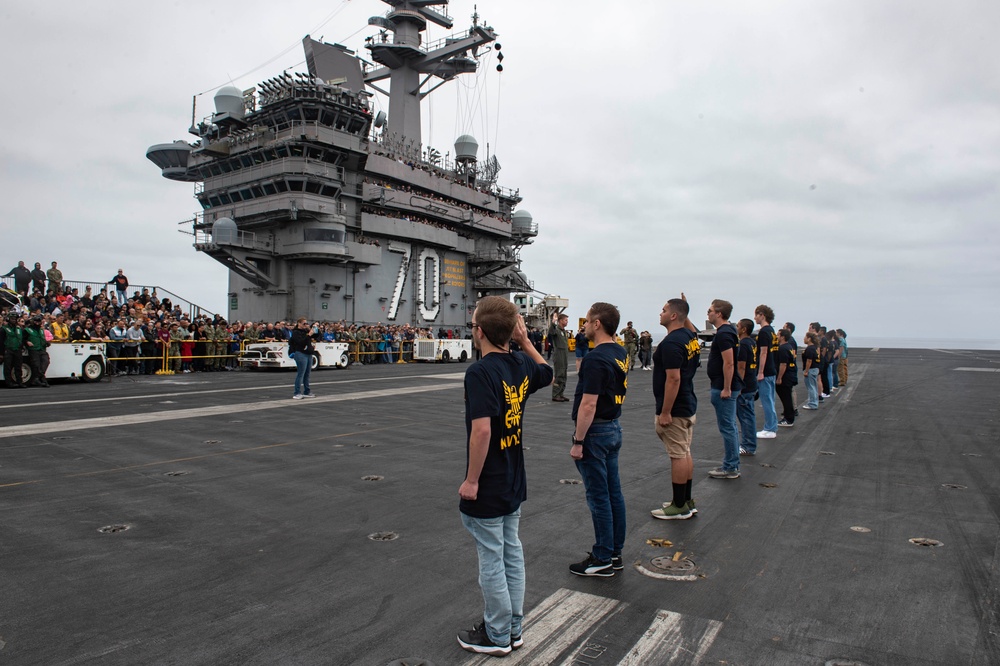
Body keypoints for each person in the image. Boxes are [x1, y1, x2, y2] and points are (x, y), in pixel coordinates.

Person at [457, 296, 552, 657]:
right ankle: (512, 628)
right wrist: (525, 342)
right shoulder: (520, 364)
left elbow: (482, 431)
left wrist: (471, 480)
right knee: (511, 552)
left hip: (491, 481)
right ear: (511, 332)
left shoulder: (480, 372)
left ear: (479, 332)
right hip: (514, 477)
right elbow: (549, 373)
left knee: (492, 559)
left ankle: (497, 635)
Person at [569, 302, 629, 577]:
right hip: (613, 427)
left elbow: (588, 405)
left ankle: (602, 557)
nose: (583, 325)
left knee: (598, 497)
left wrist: (578, 441)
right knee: (613, 494)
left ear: (597, 324)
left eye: (587, 320)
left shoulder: (595, 359)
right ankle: (614, 552)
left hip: (596, 432)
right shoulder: (620, 352)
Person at [650, 297, 701, 520]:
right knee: (685, 452)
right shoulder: (689, 337)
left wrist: (666, 411)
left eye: (663, 310)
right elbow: (693, 330)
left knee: (678, 455)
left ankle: (679, 506)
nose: (659, 313)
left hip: (676, 409)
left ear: (672, 316)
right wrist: (685, 311)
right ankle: (686, 500)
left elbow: (673, 379)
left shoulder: (671, 343)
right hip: (688, 404)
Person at [706, 299, 743, 479]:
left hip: (723, 387)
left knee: (727, 427)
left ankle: (730, 467)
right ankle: (732, 464)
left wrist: (726, 388)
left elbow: (729, 363)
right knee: (730, 427)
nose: (708, 313)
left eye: (710, 310)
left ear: (719, 314)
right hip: (723, 385)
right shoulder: (728, 331)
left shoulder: (724, 334)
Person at [754, 305, 779, 439]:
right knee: (770, 400)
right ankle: (772, 426)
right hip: (772, 369)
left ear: (762, 315)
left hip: (766, 371)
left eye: (756, 315)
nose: (755, 317)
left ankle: (770, 428)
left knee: (767, 400)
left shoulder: (764, 332)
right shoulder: (771, 331)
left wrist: (760, 371)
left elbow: (763, 353)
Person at [736, 318, 758, 456]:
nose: (736, 328)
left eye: (738, 326)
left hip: (745, 387)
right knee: (749, 415)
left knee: (746, 417)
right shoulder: (752, 343)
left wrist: (738, 386)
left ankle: (748, 445)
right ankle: (749, 443)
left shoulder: (743, 344)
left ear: (744, 329)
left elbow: (741, 367)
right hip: (751, 383)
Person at [289, 317, 317, 399]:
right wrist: (309, 335)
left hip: (308, 353)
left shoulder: (305, 331)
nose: (305, 325)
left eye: (306, 323)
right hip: (301, 353)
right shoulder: (296, 333)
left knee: (307, 374)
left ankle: (307, 391)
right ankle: (297, 392)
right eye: (304, 323)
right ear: (299, 324)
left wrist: (314, 329)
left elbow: (317, 336)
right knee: (301, 373)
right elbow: (301, 342)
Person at [775, 328, 798, 426]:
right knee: (787, 397)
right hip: (790, 375)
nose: (776, 336)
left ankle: (788, 419)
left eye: (778, 335)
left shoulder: (783, 348)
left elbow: (783, 364)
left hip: (786, 377)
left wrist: (779, 377)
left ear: (783, 337)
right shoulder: (789, 347)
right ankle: (788, 416)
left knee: (786, 398)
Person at [546, 312, 570, 402]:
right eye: (565, 320)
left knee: (563, 375)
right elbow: (551, 331)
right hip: (559, 355)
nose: (567, 322)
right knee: (559, 374)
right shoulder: (557, 330)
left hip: (564, 355)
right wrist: (553, 321)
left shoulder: (564, 331)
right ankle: (555, 394)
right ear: (560, 321)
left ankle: (561, 393)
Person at [23, 315, 50, 387]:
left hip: (42, 348)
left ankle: (38, 377)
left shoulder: (41, 330)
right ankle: (41, 379)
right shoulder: (27, 330)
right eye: (36, 321)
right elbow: (23, 339)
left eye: (39, 321)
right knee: (36, 364)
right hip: (34, 349)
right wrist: (26, 342)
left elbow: (42, 338)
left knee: (46, 361)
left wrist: (46, 342)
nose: (37, 323)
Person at [1, 313, 26, 388]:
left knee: (18, 366)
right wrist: (1, 353)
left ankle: (19, 382)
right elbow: (1, 342)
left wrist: (22, 345)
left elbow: (22, 338)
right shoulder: (3, 329)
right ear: (8, 319)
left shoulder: (19, 329)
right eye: (12, 318)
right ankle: (9, 383)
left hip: (17, 350)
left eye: (15, 319)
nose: (14, 320)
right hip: (8, 350)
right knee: (7, 367)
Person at [802, 332, 821, 410]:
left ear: (809, 338)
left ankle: (813, 404)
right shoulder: (814, 347)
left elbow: (809, 360)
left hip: (811, 369)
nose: (804, 339)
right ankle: (813, 402)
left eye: (805, 337)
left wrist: (806, 371)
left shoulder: (810, 348)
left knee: (811, 387)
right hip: (815, 369)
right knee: (813, 386)